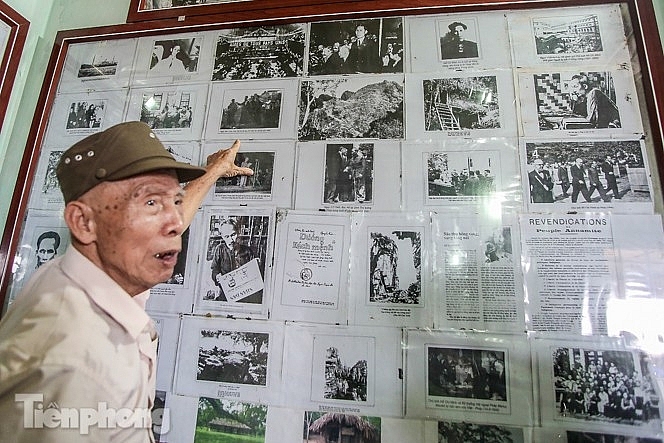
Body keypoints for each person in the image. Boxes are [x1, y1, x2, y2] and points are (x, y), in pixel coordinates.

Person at [0, 121, 253, 441]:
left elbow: (159, 229)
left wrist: (212, 172)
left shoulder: (80, 275)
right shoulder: (76, 362)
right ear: (83, 222)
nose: (175, 223)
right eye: (150, 203)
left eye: (174, 202)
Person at [210, 219, 261, 304]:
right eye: (227, 236)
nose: (231, 240)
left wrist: (257, 265)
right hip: (226, 293)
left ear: (238, 232)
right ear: (222, 236)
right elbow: (214, 269)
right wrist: (217, 276)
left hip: (246, 294)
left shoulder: (247, 251)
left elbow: (255, 274)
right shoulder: (220, 249)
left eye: (233, 234)